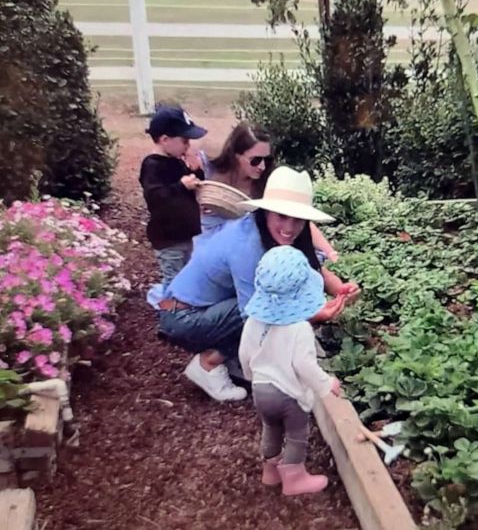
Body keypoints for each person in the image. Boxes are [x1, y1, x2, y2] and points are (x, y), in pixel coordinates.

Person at [159, 166, 360, 402]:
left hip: (203, 306)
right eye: (282, 216)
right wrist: (313, 314)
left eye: (298, 219)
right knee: (264, 307)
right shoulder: (249, 247)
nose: (289, 227)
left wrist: (338, 288)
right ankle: (208, 365)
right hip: (181, 316)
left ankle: (233, 356)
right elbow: (258, 315)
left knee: (274, 301)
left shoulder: (283, 232)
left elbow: (310, 266)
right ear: (266, 212)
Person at [239, 245, 342, 496]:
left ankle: (270, 471)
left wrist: (252, 378)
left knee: (271, 427)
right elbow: (304, 365)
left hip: (261, 391)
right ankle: (294, 478)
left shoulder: (254, 320)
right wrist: (326, 384)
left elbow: (245, 352)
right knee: (297, 434)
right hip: (288, 395)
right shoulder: (299, 329)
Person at [198, 122, 339, 262]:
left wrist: (331, 253)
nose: (262, 166)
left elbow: (298, 217)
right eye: (256, 160)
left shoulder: (266, 184)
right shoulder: (206, 172)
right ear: (236, 155)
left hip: (248, 255)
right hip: (205, 253)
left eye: (267, 160)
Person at [138, 105, 207, 290]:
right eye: (184, 140)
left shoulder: (177, 162)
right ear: (165, 139)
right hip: (168, 238)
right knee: (174, 281)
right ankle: (171, 313)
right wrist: (181, 186)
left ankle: (183, 310)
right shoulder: (152, 165)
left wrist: (196, 170)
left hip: (185, 234)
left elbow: (196, 184)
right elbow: (156, 198)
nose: (188, 145)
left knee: (186, 276)